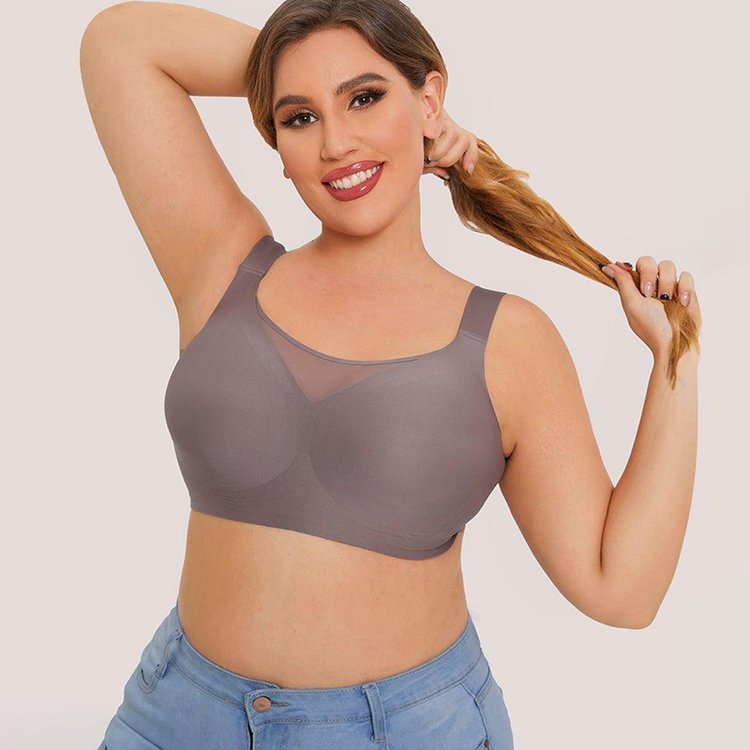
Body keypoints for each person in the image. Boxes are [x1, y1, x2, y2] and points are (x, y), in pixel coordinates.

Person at [80, 1, 702, 748]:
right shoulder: (221, 267)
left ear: (430, 99)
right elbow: (121, 43)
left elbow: (619, 590)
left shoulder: (507, 342)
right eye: (299, 116)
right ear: (277, 143)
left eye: (365, 98)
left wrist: (676, 360)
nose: (335, 143)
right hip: (179, 717)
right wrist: (298, 69)